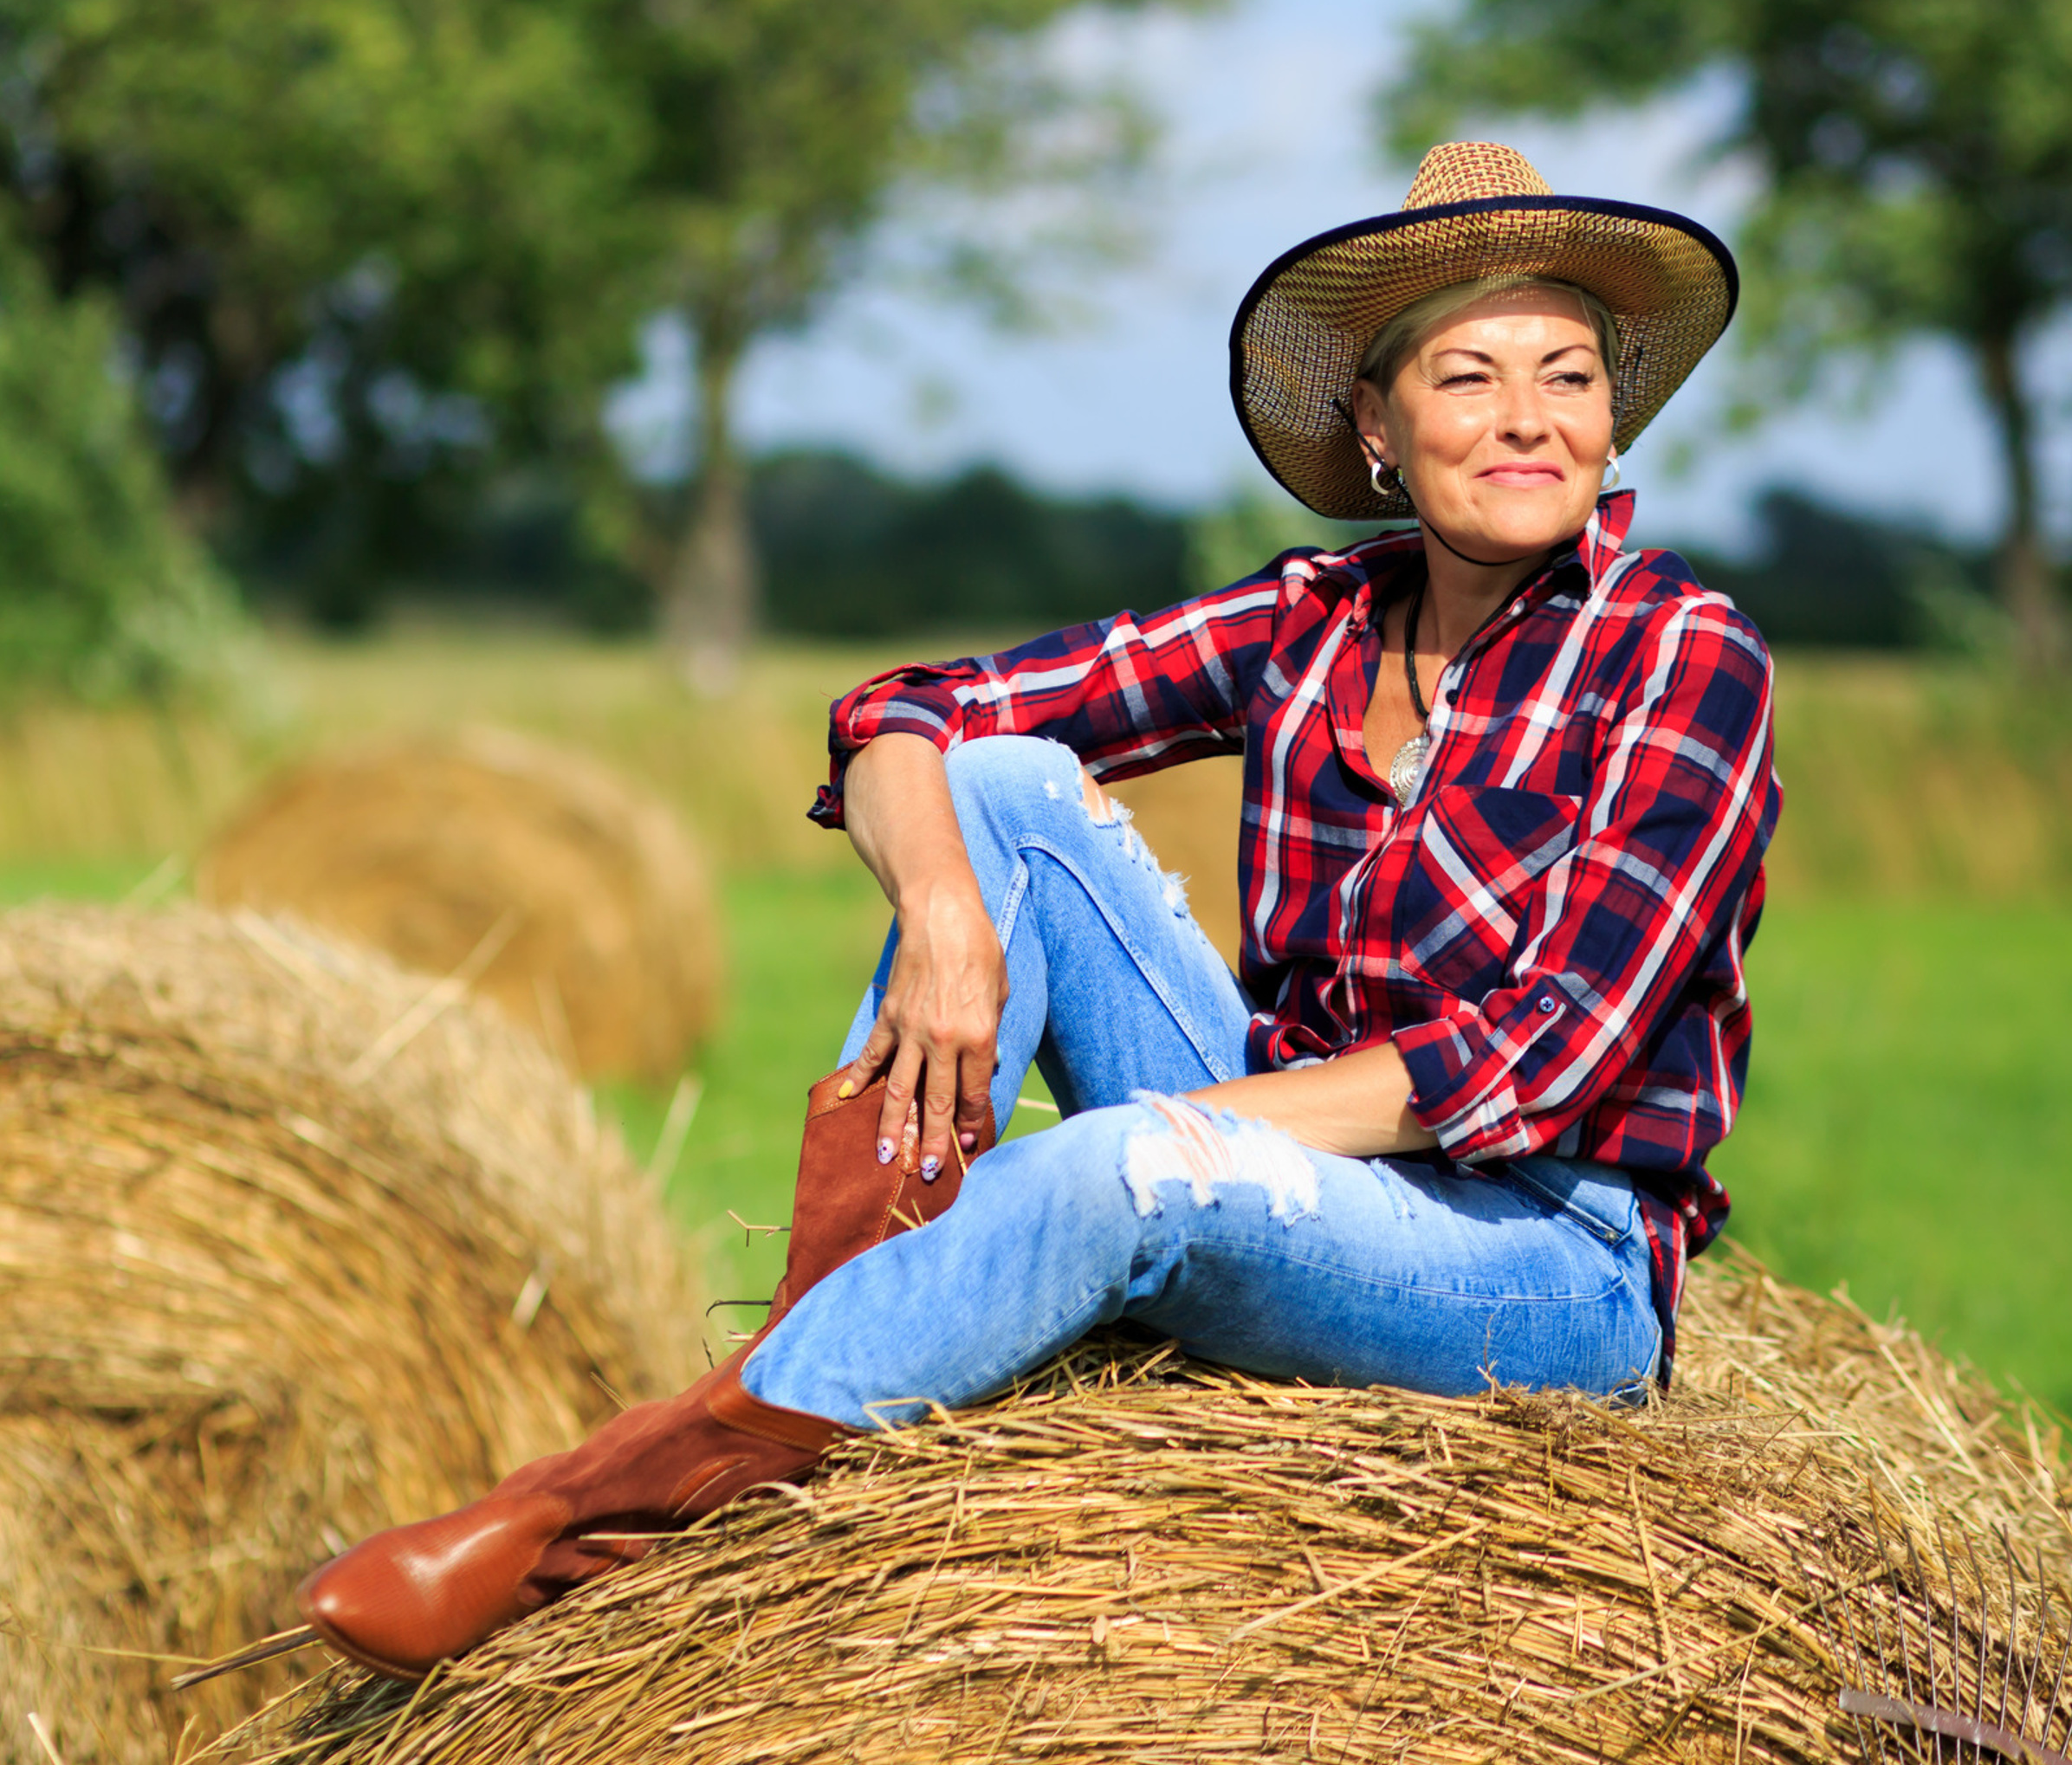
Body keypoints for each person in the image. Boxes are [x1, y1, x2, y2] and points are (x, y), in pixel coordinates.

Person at [295, 140, 1778, 1681]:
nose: (1529, 417)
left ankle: (598, 1506)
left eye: (1569, 376)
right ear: (1377, 425)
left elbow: (1544, 1057)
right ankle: (842, 1342)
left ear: (1613, 417)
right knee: (1000, 786)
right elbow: (904, 715)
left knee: (1121, 1169)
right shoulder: (1316, 620)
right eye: (1469, 377)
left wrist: (1165, 1140)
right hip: (1303, 1145)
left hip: (1545, 1246)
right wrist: (946, 913)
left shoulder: (1684, 652)